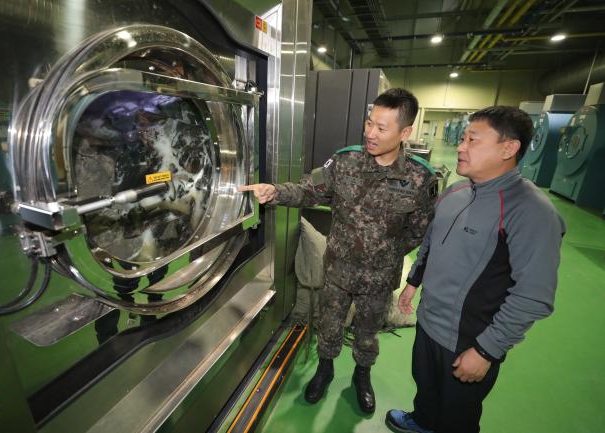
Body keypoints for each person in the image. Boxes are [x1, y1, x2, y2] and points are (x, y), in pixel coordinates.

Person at [239, 88, 437, 413]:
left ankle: (362, 376)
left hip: (380, 278)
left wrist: (383, 253)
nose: (371, 133)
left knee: (368, 333)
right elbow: (308, 190)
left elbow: (419, 230)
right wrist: (274, 191)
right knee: (328, 324)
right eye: (369, 123)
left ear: (405, 132)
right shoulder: (344, 161)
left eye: (381, 128)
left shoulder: (419, 178)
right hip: (337, 272)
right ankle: (325, 370)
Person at [385, 106, 566, 433]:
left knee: (458, 416)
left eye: (473, 140)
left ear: (508, 149)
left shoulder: (531, 212)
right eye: (463, 138)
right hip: (428, 323)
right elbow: (431, 239)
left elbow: (534, 296)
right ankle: (423, 420)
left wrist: (487, 350)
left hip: (468, 340)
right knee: (426, 387)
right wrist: (414, 281)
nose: (461, 146)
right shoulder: (456, 191)